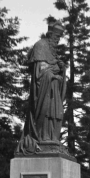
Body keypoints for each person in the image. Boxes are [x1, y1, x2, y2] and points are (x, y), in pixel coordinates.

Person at [17, 17, 67, 154]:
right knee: (47, 113)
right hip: (44, 91)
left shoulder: (52, 51)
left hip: (54, 89)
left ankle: (52, 138)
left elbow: (54, 67)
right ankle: (44, 138)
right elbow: (39, 71)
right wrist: (51, 75)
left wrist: (62, 69)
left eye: (59, 38)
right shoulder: (40, 46)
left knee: (56, 114)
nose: (58, 40)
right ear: (50, 35)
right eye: (56, 37)